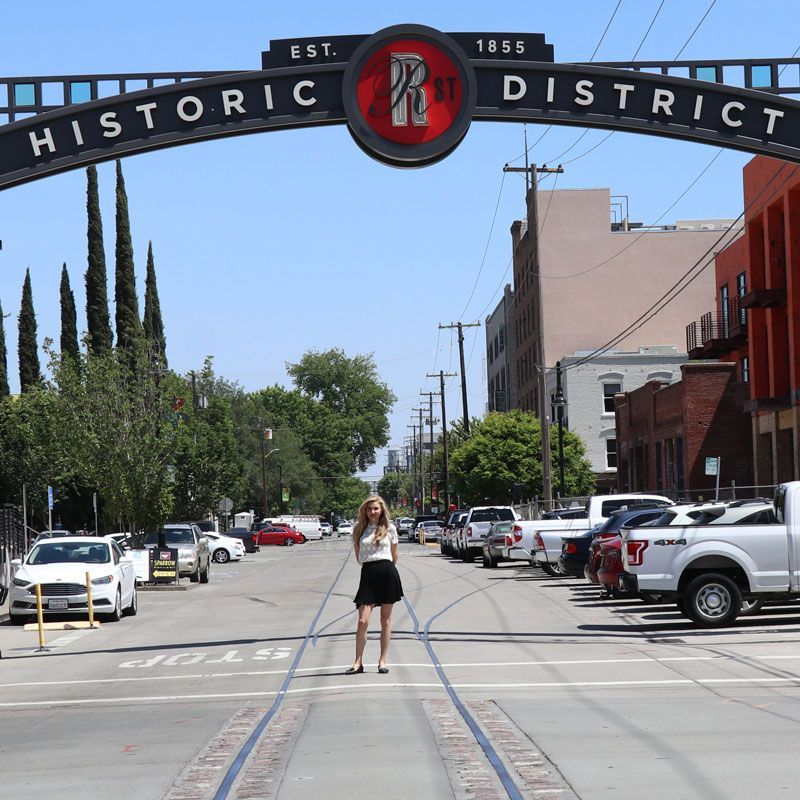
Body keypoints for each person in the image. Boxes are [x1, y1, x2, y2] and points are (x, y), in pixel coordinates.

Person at [346, 495, 404, 675]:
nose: (372, 512)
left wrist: (387, 569)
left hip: (387, 573)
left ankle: (382, 661)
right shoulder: (358, 529)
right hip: (368, 574)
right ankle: (358, 662)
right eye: (369, 509)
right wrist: (371, 566)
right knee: (363, 620)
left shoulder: (390, 528)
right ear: (365, 510)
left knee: (385, 620)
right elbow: (358, 556)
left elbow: (395, 554)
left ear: (381, 510)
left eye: (375, 509)